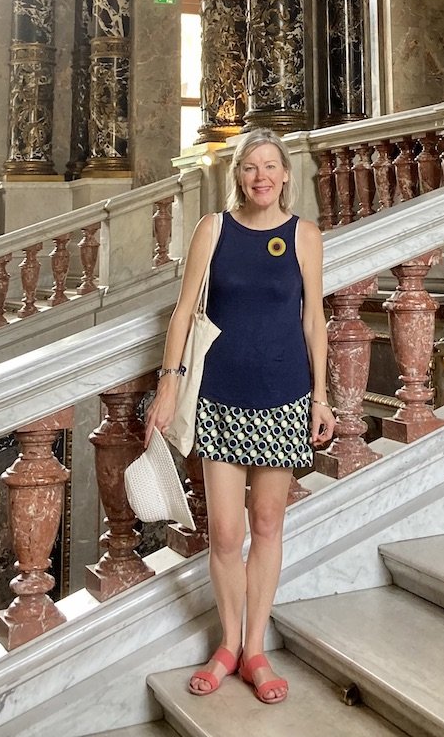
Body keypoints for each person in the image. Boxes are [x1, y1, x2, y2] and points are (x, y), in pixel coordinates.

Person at [145, 128, 335, 704]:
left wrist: (321, 395)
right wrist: (169, 386)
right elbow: (183, 312)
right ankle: (227, 643)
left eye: (271, 166)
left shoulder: (305, 236)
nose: (261, 176)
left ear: (284, 175)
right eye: (251, 167)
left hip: (283, 396)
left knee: (268, 527)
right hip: (218, 397)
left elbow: (314, 321)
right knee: (225, 533)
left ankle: (255, 648)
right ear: (239, 176)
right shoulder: (214, 229)